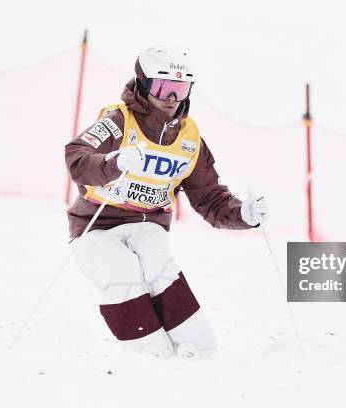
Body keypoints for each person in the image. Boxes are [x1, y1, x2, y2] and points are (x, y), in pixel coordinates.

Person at [64, 45, 267, 359]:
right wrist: (113, 163)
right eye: (163, 88)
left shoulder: (188, 140)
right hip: (96, 226)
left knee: (157, 264)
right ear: (144, 86)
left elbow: (210, 198)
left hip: (147, 224)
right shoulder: (119, 122)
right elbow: (77, 157)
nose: (172, 98)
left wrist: (243, 213)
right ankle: (149, 354)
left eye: (180, 89)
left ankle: (200, 348)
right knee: (121, 269)